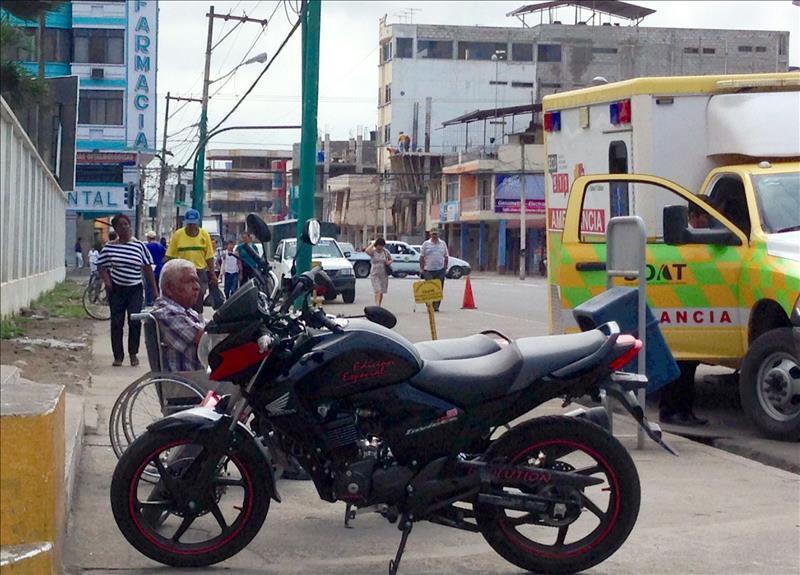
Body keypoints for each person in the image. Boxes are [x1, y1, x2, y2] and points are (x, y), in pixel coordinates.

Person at [97, 214, 158, 367]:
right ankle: (118, 356)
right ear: (116, 229)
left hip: (135, 289)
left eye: (127, 224)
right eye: (121, 225)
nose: (124, 227)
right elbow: (101, 265)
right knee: (117, 323)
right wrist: (107, 282)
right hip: (116, 290)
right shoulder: (109, 247)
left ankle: (133, 354)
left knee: (134, 321)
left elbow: (147, 267)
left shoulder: (139, 246)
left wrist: (154, 289)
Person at [151, 259, 204, 372]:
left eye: (196, 281)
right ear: (169, 288)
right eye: (189, 281)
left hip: (197, 378)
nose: (196, 287)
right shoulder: (166, 312)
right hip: (187, 381)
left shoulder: (187, 311)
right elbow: (204, 338)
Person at [165, 208, 218, 314]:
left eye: (194, 224)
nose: (192, 226)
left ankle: (197, 320)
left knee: (198, 297)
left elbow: (209, 257)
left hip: (199, 272)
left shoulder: (204, 235)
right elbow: (170, 256)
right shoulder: (178, 235)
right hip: (182, 272)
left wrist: (213, 274)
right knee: (183, 298)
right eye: (189, 224)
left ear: (198, 222)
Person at [419, 228, 448, 312]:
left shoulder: (442, 244)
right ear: (430, 235)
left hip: (440, 269)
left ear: (438, 235)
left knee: (439, 288)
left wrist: (445, 268)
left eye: (436, 234)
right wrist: (421, 268)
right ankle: (429, 305)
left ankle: (436, 306)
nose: (434, 236)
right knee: (429, 288)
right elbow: (421, 257)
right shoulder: (426, 244)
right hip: (428, 270)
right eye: (433, 234)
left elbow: (446, 256)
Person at [365, 237, 392, 307]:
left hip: (383, 274)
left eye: (382, 246)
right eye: (379, 245)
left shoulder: (386, 252)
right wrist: (373, 243)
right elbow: (367, 250)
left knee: (381, 291)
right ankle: (377, 305)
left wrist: (388, 262)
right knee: (378, 290)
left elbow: (391, 259)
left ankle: (379, 305)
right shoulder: (373, 252)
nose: (380, 247)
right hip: (375, 273)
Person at [144, 230, 166, 306]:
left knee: (149, 286)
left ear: (148, 238)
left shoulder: (147, 246)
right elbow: (164, 257)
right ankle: (157, 301)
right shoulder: (161, 246)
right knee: (158, 286)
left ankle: (149, 302)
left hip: (150, 269)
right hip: (160, 268)